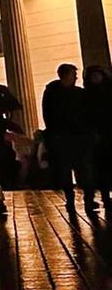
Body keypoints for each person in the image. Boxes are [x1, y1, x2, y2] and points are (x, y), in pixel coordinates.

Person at [42, 63, 99, 216]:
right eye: (73, 74)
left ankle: (81, 199)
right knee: (76, 170)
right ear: (66, 75)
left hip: (73, 139)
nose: (76, 77)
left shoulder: (54, 94)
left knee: (78, 171)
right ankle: (81, 199)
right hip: (69, 139)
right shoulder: (70, 94)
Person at [87, 65, 112, 211]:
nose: (96, 78)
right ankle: (105, 195)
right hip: (99, 137)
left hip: (105, 135)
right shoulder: (89, 95)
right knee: (102, 168)